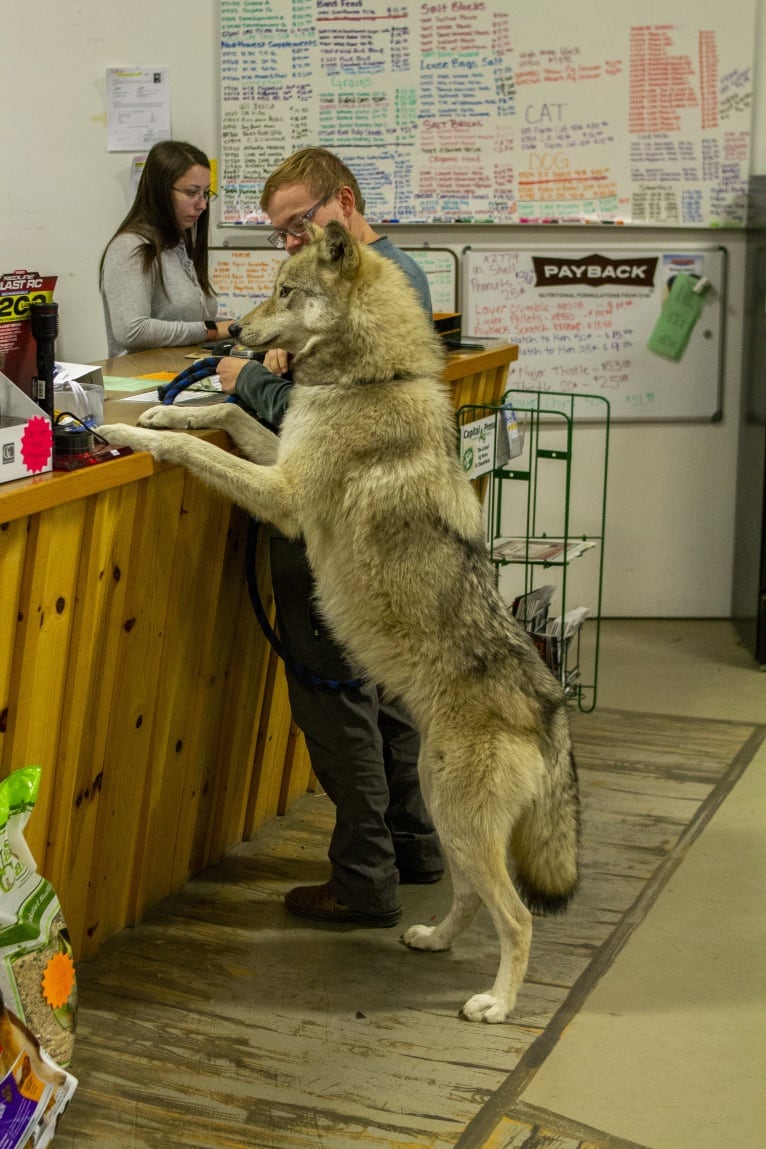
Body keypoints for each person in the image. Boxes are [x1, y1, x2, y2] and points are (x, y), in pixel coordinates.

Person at [218, 147, 443, 927]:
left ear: (341, 203)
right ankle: (413, 846)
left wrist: (242, 380)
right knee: (383, 689)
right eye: (278, 235)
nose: (290, 244)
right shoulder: (397, 273)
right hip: (383, 528)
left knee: (335, 690)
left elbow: (309, 418)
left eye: (298, 224)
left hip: (339, 529)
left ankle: (362, 878)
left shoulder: (370, 283)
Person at [99, 140, 234, 357]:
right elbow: (132, 331)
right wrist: (212, 330)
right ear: (161, 192)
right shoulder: (130, 247)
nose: (202, 205)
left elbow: (192, 325)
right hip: (144, 383)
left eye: (206, 193)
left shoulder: (179, 247)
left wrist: (237, 326)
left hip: (182, 377)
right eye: (192, 193)